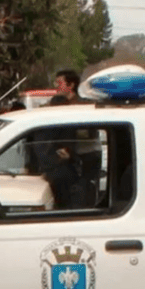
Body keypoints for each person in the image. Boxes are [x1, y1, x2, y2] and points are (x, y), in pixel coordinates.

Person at [49, 70, 102, 205]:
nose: (56, 86)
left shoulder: (82, 106)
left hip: (86, 156)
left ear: (71, 85)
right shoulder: (58, 104)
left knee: (84, 193)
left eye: (59, 82)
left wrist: (68, 147)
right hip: (68, 160)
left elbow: (87, 133)